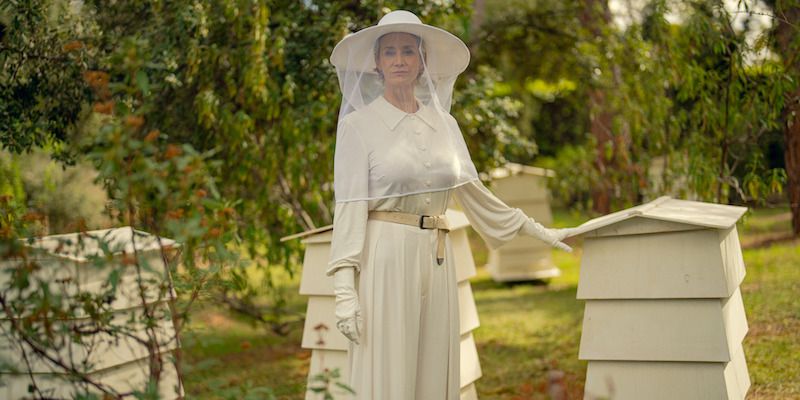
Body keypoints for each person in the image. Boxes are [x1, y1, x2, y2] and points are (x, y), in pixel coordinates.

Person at [327, 10, 573, 399]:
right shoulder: (358, 126)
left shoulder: (445, 124)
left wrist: (539, 230)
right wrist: (344, 292)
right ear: (377, 63)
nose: (399, 60)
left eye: (408, 51)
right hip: (385, 260)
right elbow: (349, 209)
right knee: (389, 362)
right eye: (389, 52)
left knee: (434, 362)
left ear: (423, 61)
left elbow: (474, 194)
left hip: (438, 260)